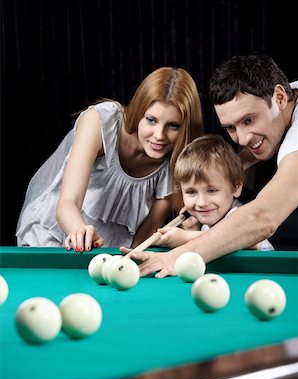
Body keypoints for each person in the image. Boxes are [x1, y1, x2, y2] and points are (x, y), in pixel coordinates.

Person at [121, 53, 298, 277]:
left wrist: (179, 256)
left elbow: (263, 217)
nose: (242, 139)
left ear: (280, 98)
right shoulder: (283, 94)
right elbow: (243, 156)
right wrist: (215, 180)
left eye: (249, 120)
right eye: (231, 128)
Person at [16, 67, 203, 251]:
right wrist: (80, 231)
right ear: (139, 112)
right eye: (151, 120)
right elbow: (67, 202)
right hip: (53, 233)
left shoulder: (177, 164)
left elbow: (140, 243)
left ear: (186, 127)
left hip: (109, 255)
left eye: (173, 125)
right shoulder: (101, 122)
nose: (159, 135)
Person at [152, 134, 273, 250]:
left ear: (236, 187)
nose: (202, 202)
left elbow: (239, 238)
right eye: (191, 192)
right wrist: (192, 230)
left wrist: (186, 237)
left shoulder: (240, 216)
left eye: (212, 191)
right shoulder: (207, 226)